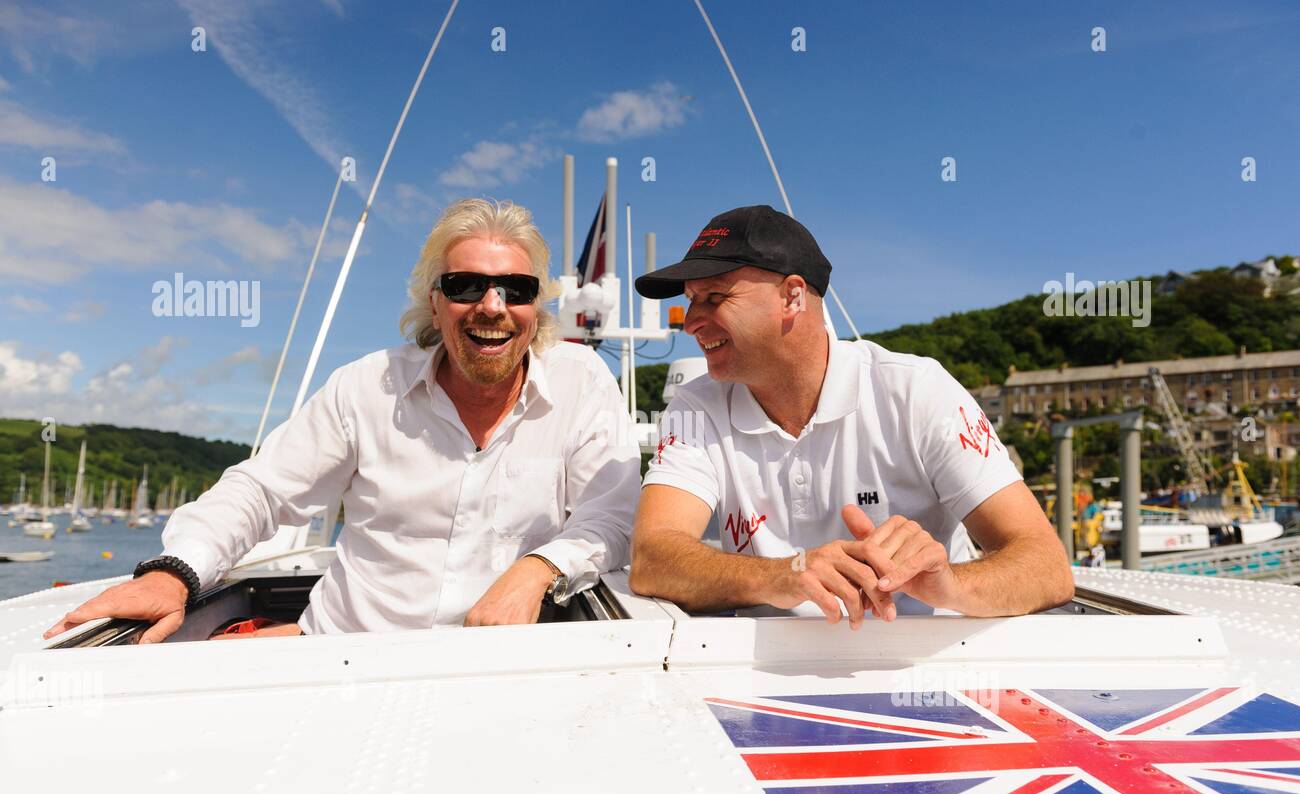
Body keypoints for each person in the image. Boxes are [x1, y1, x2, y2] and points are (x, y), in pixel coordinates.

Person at [44, 198, 641, 643]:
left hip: (492, 664)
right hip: (344, 657)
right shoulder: (366, 386)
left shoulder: (581, 381)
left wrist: (537, 569)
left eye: (515, 288)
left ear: (536, 306)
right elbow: (262, 490)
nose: (492, 306)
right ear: (434, 300)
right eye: (466, 286)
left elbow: (612, 516)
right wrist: (173, 574)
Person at [627, 205, 1073, 626]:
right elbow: (652, 559)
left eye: (714, 298)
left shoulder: (915, 390)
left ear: (793, 297)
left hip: (925, 668)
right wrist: (784, 574)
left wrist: (951, 584)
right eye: (691, 301)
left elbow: (1046, 566)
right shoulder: (697, 406)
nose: (690, 322)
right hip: (758, 675)